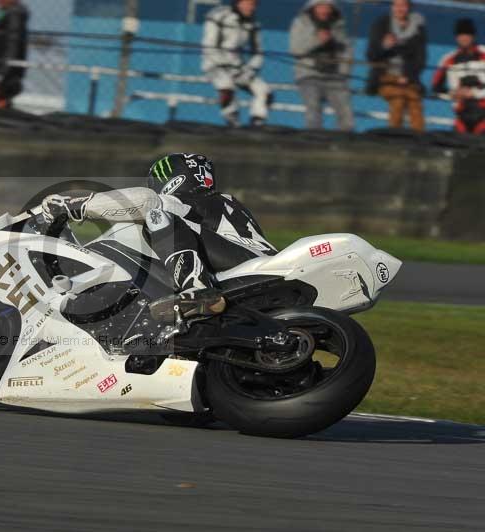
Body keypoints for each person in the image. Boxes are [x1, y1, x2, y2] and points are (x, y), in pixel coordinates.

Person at [41, 153, 278, 322]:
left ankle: (197, 288)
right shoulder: (216, 204)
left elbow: (147, 201)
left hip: (248, 265)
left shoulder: (193, 201)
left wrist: (78, 206)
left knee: (155, 214)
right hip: (250, 262)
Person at [202, 0, 272, 127]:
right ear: (237, 3)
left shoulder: (254, 24)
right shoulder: (218, 16)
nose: (251, 7)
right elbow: (209, 47)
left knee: (264, 91)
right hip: (214, 65)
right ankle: (233, 122)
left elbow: (258, 52)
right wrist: (226, 65)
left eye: (253, 4)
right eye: (247, 3)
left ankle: (257, 124)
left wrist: (251, 69)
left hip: (239, 67)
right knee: (226, 86)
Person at [289, 0, 354, 131]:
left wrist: (345, 72)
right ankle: (313, 142)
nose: (324, 10)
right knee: (314, 111)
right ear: (313, 7)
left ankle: (346, 143)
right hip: (309, 74)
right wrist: (317, 41)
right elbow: (295, 50)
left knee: (346, 113)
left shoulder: (338, 25)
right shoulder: (301, 23)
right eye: (320, 6)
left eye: (327, 6)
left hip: (335, 76)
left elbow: (346, 50)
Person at [366, 0, 426, 131]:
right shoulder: (381, 24)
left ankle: (420, 140)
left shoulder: (418, 28)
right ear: (392, 7)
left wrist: (407, 76)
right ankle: (394, 138)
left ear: (409, 7)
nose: (400, 9)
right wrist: (385, 46)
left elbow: (421, 58)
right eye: (397, 5)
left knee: (415, 102)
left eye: (403, 5)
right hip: (385, 77)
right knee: (398, 99)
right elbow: (371, 55)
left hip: (408, 78)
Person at [432, 18, 485, 135]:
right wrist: (451, 94)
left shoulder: (483, 54)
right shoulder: (448, 60)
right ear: (456, 37)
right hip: (461, 114)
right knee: (459, 146)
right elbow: (436, 88)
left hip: (483, 113)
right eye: (461, 35)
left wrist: (474, 93)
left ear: (473, 37)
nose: (464, 38)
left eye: (467, 34)